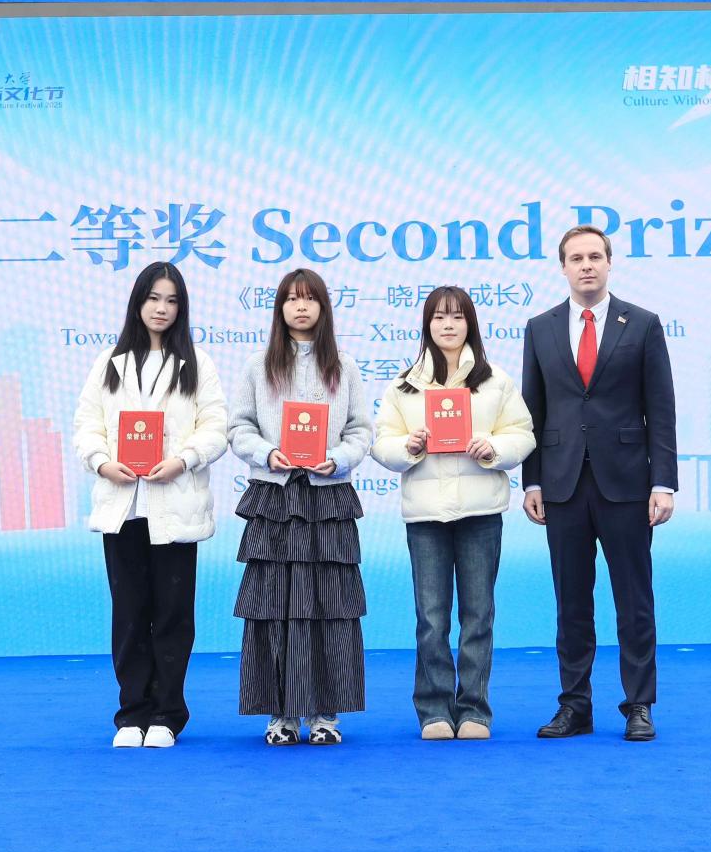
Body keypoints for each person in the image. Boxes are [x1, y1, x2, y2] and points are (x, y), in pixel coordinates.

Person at [522, 225, 677, 742]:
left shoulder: (644, 323)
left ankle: (639, 704)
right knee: (571, 602)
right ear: (563, 267)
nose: (586, 265)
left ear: (609, 263)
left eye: (595, 256)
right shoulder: (540, 328)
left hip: (628, 483)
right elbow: (533, 411)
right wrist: (532, 482)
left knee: (634, 600)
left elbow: (661, 409)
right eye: (576, 258)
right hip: (562, 484)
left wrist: (664, 483)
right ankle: (575, 705)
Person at [73, 261, 228, 749]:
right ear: (137, 302)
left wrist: (184, 459)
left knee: (174, 615)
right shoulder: (109, 362)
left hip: (175, 507)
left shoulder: (197, 363)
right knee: (129, 614)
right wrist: (102, 463)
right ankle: (131, 714)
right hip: (123, 507)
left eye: (172, 300)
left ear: (182, 309)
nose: (161, 309)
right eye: (153, 298)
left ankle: (166, 714)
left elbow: (216, 427)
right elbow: (86, 426)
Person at [372, 284, 534, 738]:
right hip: (425, 516)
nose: (448, 325)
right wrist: (408, 446)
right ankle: (434, 711)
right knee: (432, 618)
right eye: (439, 316)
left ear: (471, 324)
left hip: (481, 512)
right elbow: (382, 443)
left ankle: (475, 710)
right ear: (426, 325)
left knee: (478, 617)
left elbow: (522, 433)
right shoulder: (404, 385)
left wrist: (493, 447)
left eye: (458, 316)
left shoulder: (495, 381)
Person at [229, 268, 372, 743]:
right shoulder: (258, 365)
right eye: (292, 299)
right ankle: (281, 716)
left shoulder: (344, 366)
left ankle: (326, 715)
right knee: (275, 607)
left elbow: (361, 430)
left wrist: (338, 459)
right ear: (280, 308)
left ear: (324, 307)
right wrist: (266, 453)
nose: (301, 306)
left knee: (330, 607)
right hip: (274, 496)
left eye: (310, 299)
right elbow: (239, 427)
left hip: (327, 497)